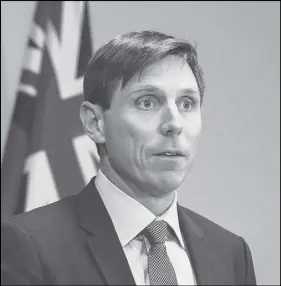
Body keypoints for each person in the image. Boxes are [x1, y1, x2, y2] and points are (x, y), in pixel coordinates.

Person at [1, 30, 257, 285]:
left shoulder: (232, 254)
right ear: (95, 123)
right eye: (148, 102)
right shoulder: (29, 246)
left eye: (187, 103)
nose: (174, 123)